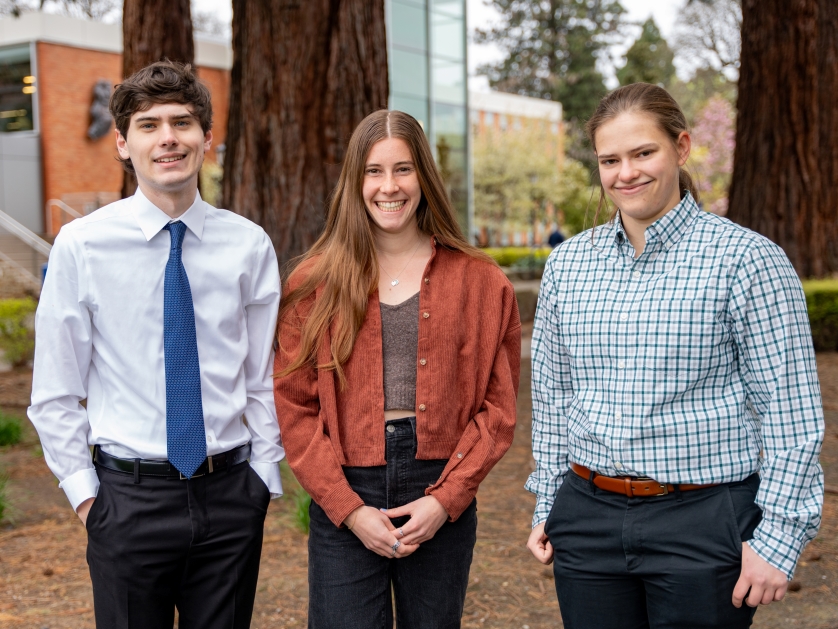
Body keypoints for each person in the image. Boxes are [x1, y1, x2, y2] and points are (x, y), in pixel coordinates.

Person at [526, 83, 823, 628]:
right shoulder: (567, 265)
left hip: (703, 520)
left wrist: (779, 537)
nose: (626, 173)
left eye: (644, 153)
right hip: (588, 518)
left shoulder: (748, 260)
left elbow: (790, 414)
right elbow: (553, 396)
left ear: (681, 147)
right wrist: (548, 501)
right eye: (610, 160)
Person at [28, 61, 285, 628]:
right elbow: (55, 390)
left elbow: (262, 374)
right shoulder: (82, 246)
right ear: (123, 143)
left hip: (230, 499)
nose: (168, 137)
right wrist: (89, 499)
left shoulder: (248, 245)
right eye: (148, 125)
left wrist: (262, 479)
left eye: (183, 122)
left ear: (207, 138)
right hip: (126, 501)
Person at [274, 109, 521, 627]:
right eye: (374, 171)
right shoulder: (314, 282)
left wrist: (446, 501)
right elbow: (295, 408)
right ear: (354, 181)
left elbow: (498, 410)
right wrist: (348, 508)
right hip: (347, 482)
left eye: (403, 169)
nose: (390, 186)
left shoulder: (480, 281)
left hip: (441, 481)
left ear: (424, 177)